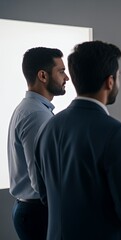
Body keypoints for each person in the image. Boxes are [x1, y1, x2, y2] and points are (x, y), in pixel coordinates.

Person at [34, 41, 121, 240]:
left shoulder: (47, 127)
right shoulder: (117, 133)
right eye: (118, 76)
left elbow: (46, 196)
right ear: (110, 81)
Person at [7, 47, 69, 240]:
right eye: (61, 71)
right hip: (39, 213)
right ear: (43, 75)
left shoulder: (30, 109)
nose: (66, 77)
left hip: (32, 211)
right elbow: (40, 179)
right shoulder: (37, 115)